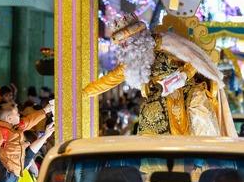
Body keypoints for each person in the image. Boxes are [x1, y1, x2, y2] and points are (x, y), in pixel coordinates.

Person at [83, 13, 237, 137]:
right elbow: (109, 80)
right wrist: (84, 93)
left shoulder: (166, 44)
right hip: (157, 98)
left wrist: (182, 76)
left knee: (199, 110)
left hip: (186, 90)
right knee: (148, 120)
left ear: (138, 37)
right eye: (122, 44)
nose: (124, 46)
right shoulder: (132, 58)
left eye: (126, 42)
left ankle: (202, 160)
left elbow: (194, 60)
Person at [0, 101, 53, 182]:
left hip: (14, 172)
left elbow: (29, 121)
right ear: (9, 118)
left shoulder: (14, 126)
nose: (20, 115)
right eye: (17, 114)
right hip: (5, 175)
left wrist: (45, 110)